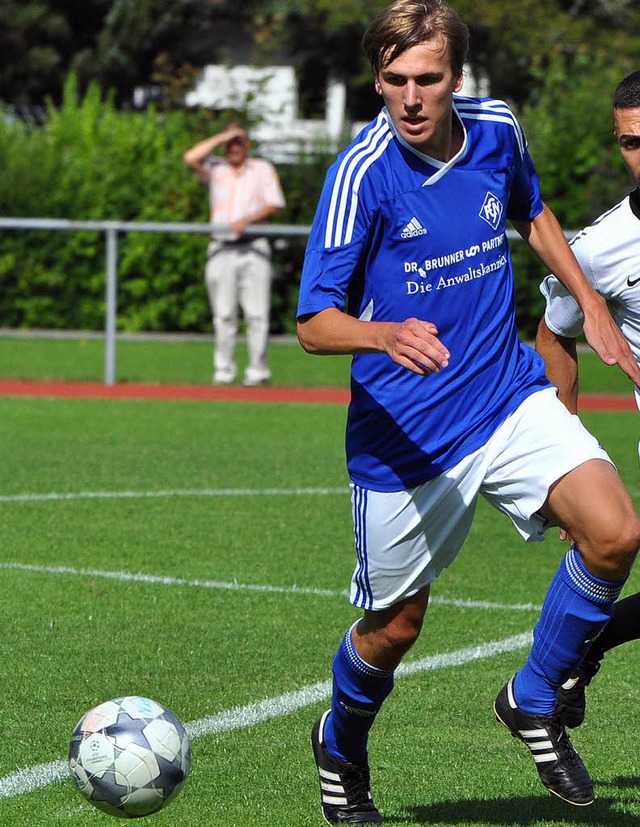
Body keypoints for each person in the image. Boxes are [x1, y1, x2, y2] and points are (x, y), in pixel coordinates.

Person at [296, 1, 640, 822]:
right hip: (408, 440)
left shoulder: (497, 129)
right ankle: (341, 739)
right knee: (395, 627)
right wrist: (380, 333)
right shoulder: (360, 174)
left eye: (429, 79)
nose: (411, 98)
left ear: (459, 77)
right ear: (377, 80)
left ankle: (532, 695)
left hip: (506, 393)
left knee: (616, 530)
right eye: (394, 81)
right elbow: (312, 323)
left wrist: (588, 301)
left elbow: (532, 209)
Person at [537, 69, 640, 731]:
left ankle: (587, 642)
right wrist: (566, 455)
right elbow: (553, 333)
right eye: (630, 142)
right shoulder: (601, 247)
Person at [183, 122, 286, 386]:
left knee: (257, 315)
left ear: (247, 144)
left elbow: (275, 202)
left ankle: (257, 372)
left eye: (238, 141)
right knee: (224, 315)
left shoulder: (261, 169)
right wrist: (222, 137)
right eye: (230, 142)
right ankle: (224, 372)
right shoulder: (216, 169)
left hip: (254, 246)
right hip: (221, 248)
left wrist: (247, 221)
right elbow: (190, 157)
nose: (234, 147)